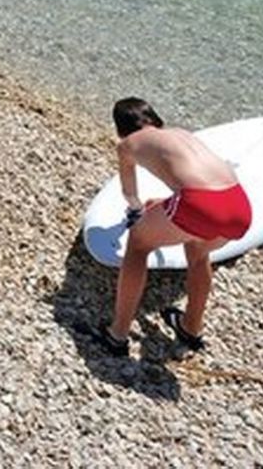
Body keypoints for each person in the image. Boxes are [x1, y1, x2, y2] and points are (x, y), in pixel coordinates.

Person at [96, 97, 251, 356]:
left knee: (138, 243)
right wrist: (164, 208)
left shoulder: (127, 145)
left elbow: (129, 193)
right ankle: (191, 327)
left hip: (198, 205)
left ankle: (117, 334)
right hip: (239, 206)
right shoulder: (180, 134)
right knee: (198, 251)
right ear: (155, 119)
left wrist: (137, 211)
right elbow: (200, 186)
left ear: (120, 128)